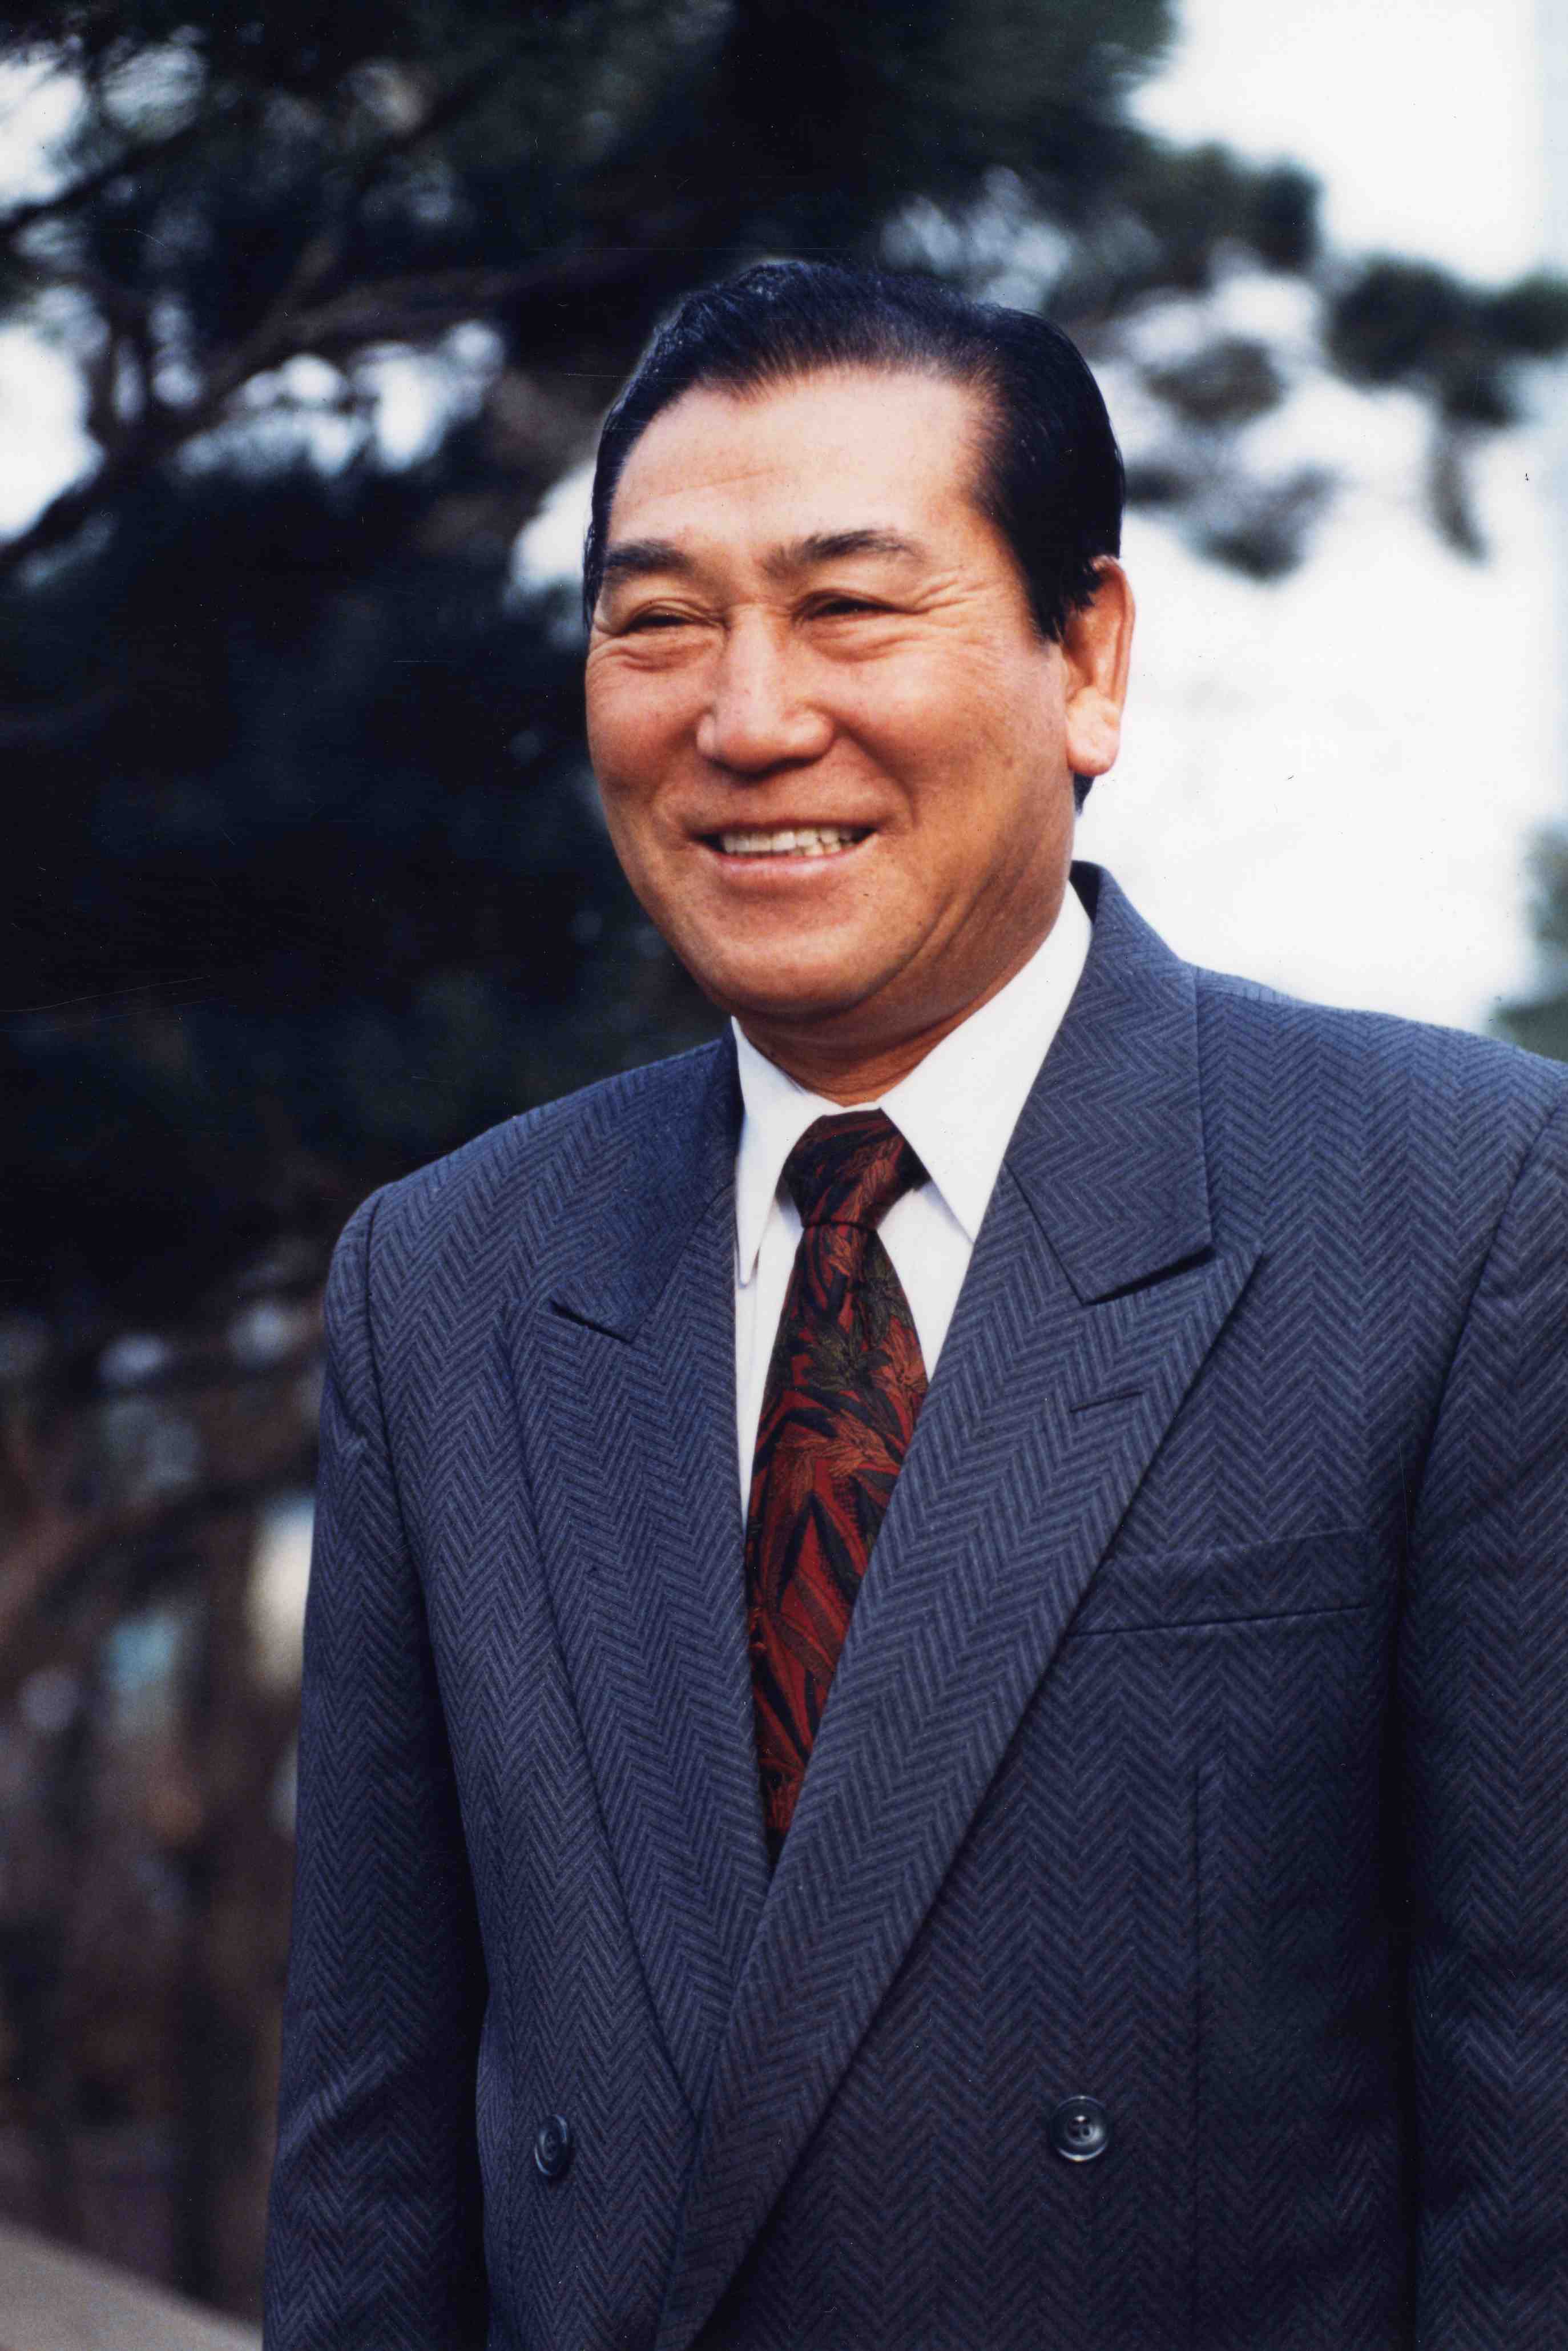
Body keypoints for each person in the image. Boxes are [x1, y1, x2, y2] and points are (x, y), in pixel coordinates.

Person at [264, 263, 1568, 2350]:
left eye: (851, 606)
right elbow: (369, 2152)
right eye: (656, 621)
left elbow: (1535, 2131)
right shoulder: (448, 1277)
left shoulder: (1452, 1206)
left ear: (1087, 658)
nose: (745, 717)